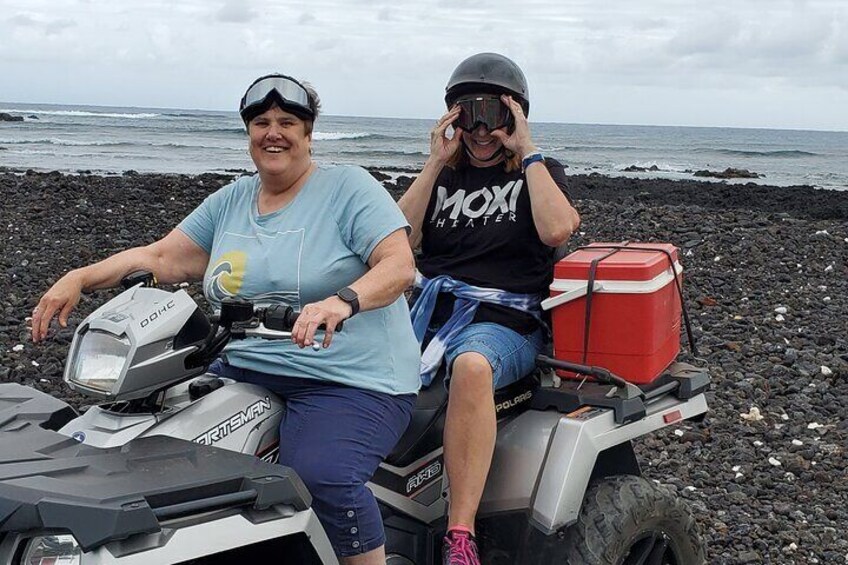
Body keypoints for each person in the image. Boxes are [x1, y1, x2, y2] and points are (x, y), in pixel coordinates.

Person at [31, 73, 421, 565]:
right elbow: (161, 257)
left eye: (287, 122)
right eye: (261, 122)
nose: (273, 132)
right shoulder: (233, 200)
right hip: (243, 365)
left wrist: (341, 302)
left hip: (349, 378)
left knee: (323, 475)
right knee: (157, 453)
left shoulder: (348, 188)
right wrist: (80, 277)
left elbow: (398, 266)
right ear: (249, 131)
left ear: (308, 133)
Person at [398, 53, 580, 564]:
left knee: (472, 367)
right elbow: (394, 241)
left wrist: (528, 152)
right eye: (466, 114)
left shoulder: (539, 174)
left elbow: (556, 229)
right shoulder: (444, 177)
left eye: (493, 115)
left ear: (514, 117)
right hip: (431, 316)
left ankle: (461, 534)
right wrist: (434, 161)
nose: (480, 130)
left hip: (507, 323)